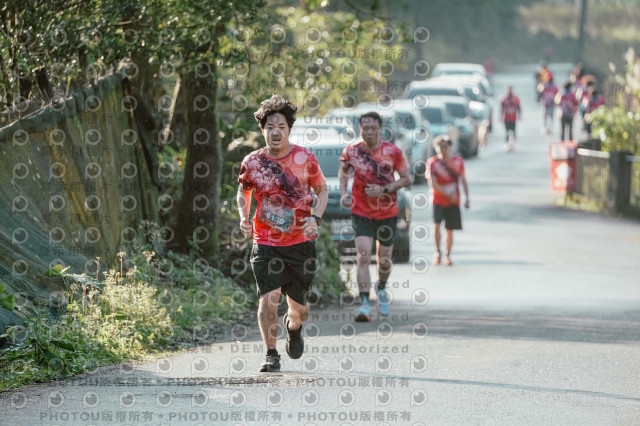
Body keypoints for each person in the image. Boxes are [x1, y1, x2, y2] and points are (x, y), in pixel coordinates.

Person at [237, 94, 328, 372]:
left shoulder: (304, 158)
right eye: (270, 127)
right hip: (265, 240)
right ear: (262, 129)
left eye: (281, 127)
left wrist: (315, 218)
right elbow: (243, 191)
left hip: (300, 241)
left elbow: (322, 190)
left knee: (300, 310)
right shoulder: (252, 161)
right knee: (269, 298)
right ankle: (271, 354)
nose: (275, 132)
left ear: (289, 129)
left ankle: (293, 327)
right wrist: (243, 217)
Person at [338, 111, 411, 322]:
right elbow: (343, 171)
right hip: (361, 210)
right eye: (365, 128)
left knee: (384, 260)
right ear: (359, 129)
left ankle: (381, 287)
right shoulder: (351, 151)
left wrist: (384, 190)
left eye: (373, 128)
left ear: (380, 129)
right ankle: (363, 303)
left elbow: (406, 178)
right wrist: (344, 193)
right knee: (362, 255)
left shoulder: (392, 151)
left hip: (387, 212)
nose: (369, 132)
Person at [425, 135, 470, 267]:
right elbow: (432, 183)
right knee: (436, 225)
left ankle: (448, 254)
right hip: (438, 200)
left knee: (450, 229)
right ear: (436, 148)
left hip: (453, 201)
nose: (443, 149)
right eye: (440, 146)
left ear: (450, 147)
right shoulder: (432, 163)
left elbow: (463, 180)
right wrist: (447, 195)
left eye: (445, 146)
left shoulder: (458, 162)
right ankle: (438, 251)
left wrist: (467, 197)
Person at [499, 85, 521, 151]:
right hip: (506, 118)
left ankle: (512, 143)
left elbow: (518, 107)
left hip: (513, 118)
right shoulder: (504, 98)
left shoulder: (515, 98)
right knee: (507, 132)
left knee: (513, 131)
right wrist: (501, 116)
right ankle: (507, 143)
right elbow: (502, 108)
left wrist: (519, 115)